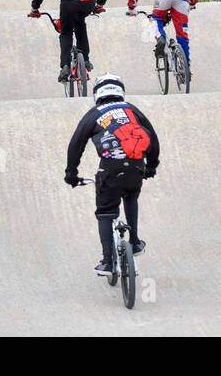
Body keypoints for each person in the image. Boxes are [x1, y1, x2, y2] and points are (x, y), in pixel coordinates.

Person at [65, 73, 159, 276]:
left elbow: (76, 145)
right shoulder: (132, 109)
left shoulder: (93, 114)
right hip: (136, 166)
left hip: (110, 170)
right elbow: (152, 137)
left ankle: (108, 261)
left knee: (106, 212)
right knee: (131, 196)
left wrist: (71, 174)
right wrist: (151, 166)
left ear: (97, 93)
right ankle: (134, 242)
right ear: (121, 92)